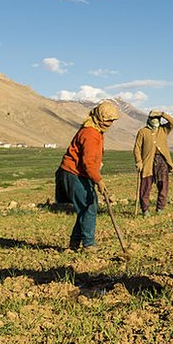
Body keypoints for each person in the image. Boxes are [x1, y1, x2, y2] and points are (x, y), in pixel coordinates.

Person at [55, 100, 120, 251]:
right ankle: (88, 244)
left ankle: (75, 243)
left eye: (112, 121)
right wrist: (99, 181)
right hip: (74, 173)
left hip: (79, 173)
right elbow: (88, 162)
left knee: (86, 207)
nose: (110, 123)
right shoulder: (90, 133)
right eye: (108, 120)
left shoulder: (97, 131)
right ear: (100, 117)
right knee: (89, 206)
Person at [133, 110, 173, 216]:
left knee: (163, 185)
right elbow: (137, 148)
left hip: (162, 162)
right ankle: (145, 210)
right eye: (153, 118)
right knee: (145, 187)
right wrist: (139, 161)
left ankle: (160, 208)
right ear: (149, 119)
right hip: (147, 162)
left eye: (157, 118)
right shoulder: (142, 132)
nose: (155, 120)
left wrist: (162, 114)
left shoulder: (163, 129)